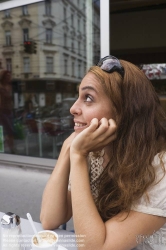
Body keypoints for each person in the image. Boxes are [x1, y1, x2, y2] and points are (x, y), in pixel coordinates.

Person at [40, 55, 166, 250]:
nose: (73, 108)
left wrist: (78, 156)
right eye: (78, 96)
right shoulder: (93, 153)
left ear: (123, 111)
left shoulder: (160, 168)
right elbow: (50, 219)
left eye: (88, 98)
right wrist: (68, 148)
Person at [0, 70, 15, 153]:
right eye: (7, 76)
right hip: (3, 112)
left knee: (10, 131)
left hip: (9, 112)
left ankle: (11, 148)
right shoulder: (1, 88)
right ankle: (11, 149)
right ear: (3, 77)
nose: (9, 77)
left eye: (10, 75)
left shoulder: (9, 87)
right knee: (8, 131)